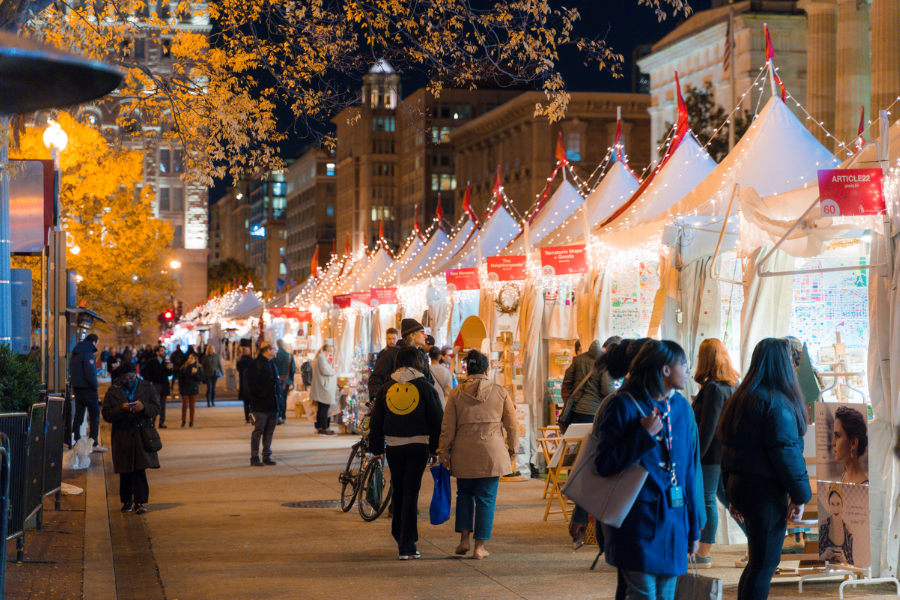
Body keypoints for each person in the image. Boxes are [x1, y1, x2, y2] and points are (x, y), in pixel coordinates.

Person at [594, 340, 700, 600]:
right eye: (683, 363)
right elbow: (603, 464)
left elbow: (688, 472)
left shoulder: (682, 408)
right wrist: (643, 435)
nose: (688, 369)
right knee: (644, 596)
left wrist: (694, 528)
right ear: (665, 369)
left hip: (674, 521)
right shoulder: (622, 405)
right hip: (636, 523)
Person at [718, 337, 811, 600]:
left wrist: (730, 492)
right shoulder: (777, 403)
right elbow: (786, 453)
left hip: (741, 486)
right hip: (765, 492)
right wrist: (801, 496)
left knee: (757, 562)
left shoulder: (740, 397)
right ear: (784, 365)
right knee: (765, 563)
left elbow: (726, 449)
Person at [438, 349, 518, 560]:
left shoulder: (456, 394)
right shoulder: (500, 391)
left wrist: (443, 452)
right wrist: (513, 450)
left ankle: (464, 540)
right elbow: (512, 424)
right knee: (486, 499)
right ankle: (479, 548)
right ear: (486, 369)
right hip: (492, 454)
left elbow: (447, 427)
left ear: (468, 369)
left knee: (464, 495)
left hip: (463, 453)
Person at [369, 346, 444, 560]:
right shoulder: (425, 386)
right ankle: (407, 546)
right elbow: (436, 420)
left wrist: (376, 450)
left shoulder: (387, 387)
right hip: (419, 446)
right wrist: (435, 450)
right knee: (411, 493)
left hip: (393, 447)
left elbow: (376, 421)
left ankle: (401, 535)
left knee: (400, 490)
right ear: (419, 362)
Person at [690, 338, 739, 568]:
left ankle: (704, 554)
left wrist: (695, 458)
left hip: (710, 456)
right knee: (727, 499)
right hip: (725, 453)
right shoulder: (730, 385)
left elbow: (707, 428)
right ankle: (756, 544)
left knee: (710, 499)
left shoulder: (712, 388)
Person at [100, 361, 161, 514]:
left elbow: (156, 408)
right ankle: (127, 501)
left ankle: (140, 502)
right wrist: (121, 408)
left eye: (131, 378)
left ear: (136, 375)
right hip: (123, 434)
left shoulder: (147, 387)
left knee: (140, 470)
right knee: (125, 470)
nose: (128, 381)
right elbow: (106, 414)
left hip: (142, 434)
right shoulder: (113, 391)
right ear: (120, 378)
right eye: (125, 379)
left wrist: (143, 407)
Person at [368, 318, 434, 400]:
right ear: (412, 335)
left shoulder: (422, 355)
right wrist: (376, 400)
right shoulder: (392, 353)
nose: (426, 336)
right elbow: (376, 378)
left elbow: (429, 380)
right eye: (422, 332)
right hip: (396, 405)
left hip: (419, 406)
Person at [561, 338, 618, 428]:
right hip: (593, 412)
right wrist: (618, 391)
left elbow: (567, 381)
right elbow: (606, 390)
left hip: (575, 410)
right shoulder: (606, 363)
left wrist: (575, 394)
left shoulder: (579, 358)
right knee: (591, 440)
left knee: (576, 440)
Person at [70, 333, 107, 452]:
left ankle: (76, 440)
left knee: (78, 416)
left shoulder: (76, 353)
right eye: (97, 342)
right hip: (88, 390)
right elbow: (89, 375)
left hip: (78, 389)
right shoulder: (88, 354)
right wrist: (95, 385)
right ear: (94, 342)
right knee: (95, 416)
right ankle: (94, 443)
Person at [247, 342, 282, 466]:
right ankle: (254, 457)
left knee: (269, 432)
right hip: (261, 405)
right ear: (267, 350)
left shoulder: (272, 363)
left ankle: (267, 455)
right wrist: (262, 395)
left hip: (273, 404)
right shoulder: (255, 364)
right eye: (274, 349)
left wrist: (279, 400)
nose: (276, 350)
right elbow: (251, 384)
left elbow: (276, 384)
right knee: (258, 430)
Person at [832, 405, 868, 485]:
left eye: (837, 436)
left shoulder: (863, 485)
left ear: (853, 443)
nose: (833, 443)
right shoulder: (844, 476)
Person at [819, 483, 853, 564]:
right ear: (829, 505)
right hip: (826, 571)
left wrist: (844, 560)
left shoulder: (848, 530)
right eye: (832, 504)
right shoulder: (823, 526)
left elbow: (852, 562)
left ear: (842, 505)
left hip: (843, 571)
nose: (835, 508)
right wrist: (823, 555)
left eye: (838, 504)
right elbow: (817, 559)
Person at [310, 341, 337, 435]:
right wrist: (334, 370)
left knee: (321, 408)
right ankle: (324, 428)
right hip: (324, 387)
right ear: (327, 350)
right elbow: (325, 371)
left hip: (322, 386)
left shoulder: (319, 358)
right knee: (325, 408)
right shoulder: (321, 358)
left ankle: (320, 426)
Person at [141, 346, 173, 429]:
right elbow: (143, 372)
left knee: (163, 405)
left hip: (164, 385)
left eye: (164, 350)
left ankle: (162, 422)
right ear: (157, 352)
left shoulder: (165, 362)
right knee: (155, 404)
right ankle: (152, 422)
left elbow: (169, 374)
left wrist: (169, 368)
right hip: (155, 385)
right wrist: (149, 380)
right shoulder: (152, 361)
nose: (163, 352)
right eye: (162, 351)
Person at [178, 353, 205, 427]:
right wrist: (181, 388)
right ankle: (183, 420)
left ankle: (191, 421)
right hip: (185, 389)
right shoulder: (184, 367)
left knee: (192, 406)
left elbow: (202, 378)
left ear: (195, 360)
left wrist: (195, 374)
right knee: (185, 405)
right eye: (189, 358)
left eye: (192, 358)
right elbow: (180, 378)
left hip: (194, 389)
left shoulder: (198, 368)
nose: (190, 359)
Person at [273, 339, 297, 424]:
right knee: (284, 398)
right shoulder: (289, 356)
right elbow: (293, 369)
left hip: (275, 380)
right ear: (284, 345)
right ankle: (282, 416)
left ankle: (277, 415)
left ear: (277, 345)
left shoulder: (275, 356)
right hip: (286, 381)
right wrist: (292, 380)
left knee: (276, 398)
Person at [236, 346, 254, 424]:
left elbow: (238, 369)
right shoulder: (252, 361)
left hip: (243, 382)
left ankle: (247, 418)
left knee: (245, 402)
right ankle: (251, 413)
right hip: (251, 382)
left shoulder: (240, 361)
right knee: (252, 401)